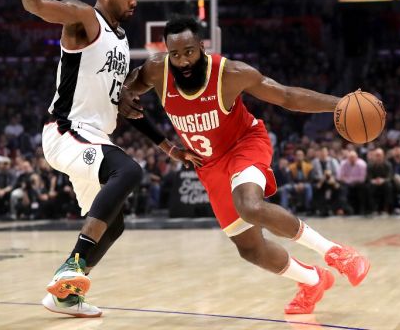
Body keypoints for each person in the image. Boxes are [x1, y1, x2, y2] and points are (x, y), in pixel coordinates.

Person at [119, 16, 371, 314]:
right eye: (175, 54)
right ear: (166, 53)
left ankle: (337, 253)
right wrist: (164, 143)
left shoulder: (230, 73)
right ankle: (313, 279)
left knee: (249, 205)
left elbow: (287, 96)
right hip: (208, 164)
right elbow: (124, 91)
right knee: (250, 249)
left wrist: (338, 103)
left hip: (245, 145)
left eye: (189, 51)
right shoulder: (156, 71)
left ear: (201, 46)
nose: (183, 60)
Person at [10, 0, 200, 318]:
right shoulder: (85, 18)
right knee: (128, 169)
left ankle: (63, 295)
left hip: (94, 137)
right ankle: (72, 268)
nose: (134, 1)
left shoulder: (122, 40)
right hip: (66, 131)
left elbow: (125, 105)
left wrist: (168, 147)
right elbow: (37, 5)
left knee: (113, 227)